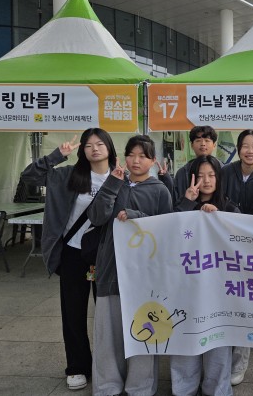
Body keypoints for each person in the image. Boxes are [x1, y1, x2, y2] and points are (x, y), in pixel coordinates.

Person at [21, 128, 117, 391]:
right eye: (88, 145)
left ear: (109, 148)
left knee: (109, 314)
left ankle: (109, 367)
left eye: (100, 144)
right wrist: (56, 155)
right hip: (73, 254)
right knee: (73, 312)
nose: (94, 149)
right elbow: (29, 177)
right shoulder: (67, 175)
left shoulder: (120, 177)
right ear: (82, 150)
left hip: (108, 256)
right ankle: (77, 366)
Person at [89, 134, 173, 396]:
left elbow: (167, 230)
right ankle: (107, 386)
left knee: (144, 330)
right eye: (131, 155)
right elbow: (97, 217)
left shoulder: (160, 190)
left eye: (143, 156)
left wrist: (137, 217)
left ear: (153, 160)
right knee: (108, 333)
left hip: (145, 276)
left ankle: (141, 386)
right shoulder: (114, 183)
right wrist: (112, 184)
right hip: (111, 269)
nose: (136, 161)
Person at [171, 154, 239, 396]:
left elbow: (238, 243)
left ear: (219, 179)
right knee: (185, 336)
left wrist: (219, 218)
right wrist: (188, 203)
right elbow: (169, 233)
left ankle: (217, 389)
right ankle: (184, 388)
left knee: (218, 340)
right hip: (186, 286)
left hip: (219, 290)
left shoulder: (230, 207)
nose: (206, 181)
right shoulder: (182, 206)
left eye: (211, 175)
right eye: (200, 176)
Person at [220, 129, 253, 386]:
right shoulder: (225, 172)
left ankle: (239, 363)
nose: (250, 151)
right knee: (224, 301)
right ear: (238, 149)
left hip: (250, 249)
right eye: (245, 146)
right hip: (223, 245)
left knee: (244, 304)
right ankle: (220, 360)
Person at [172, 125, 218, 206]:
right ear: (192, 145)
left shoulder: (224, 170)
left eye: (207, 140)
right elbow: (177, 202)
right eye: (198, 140)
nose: (203, 144)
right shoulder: (182, 173)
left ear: (214, 145)